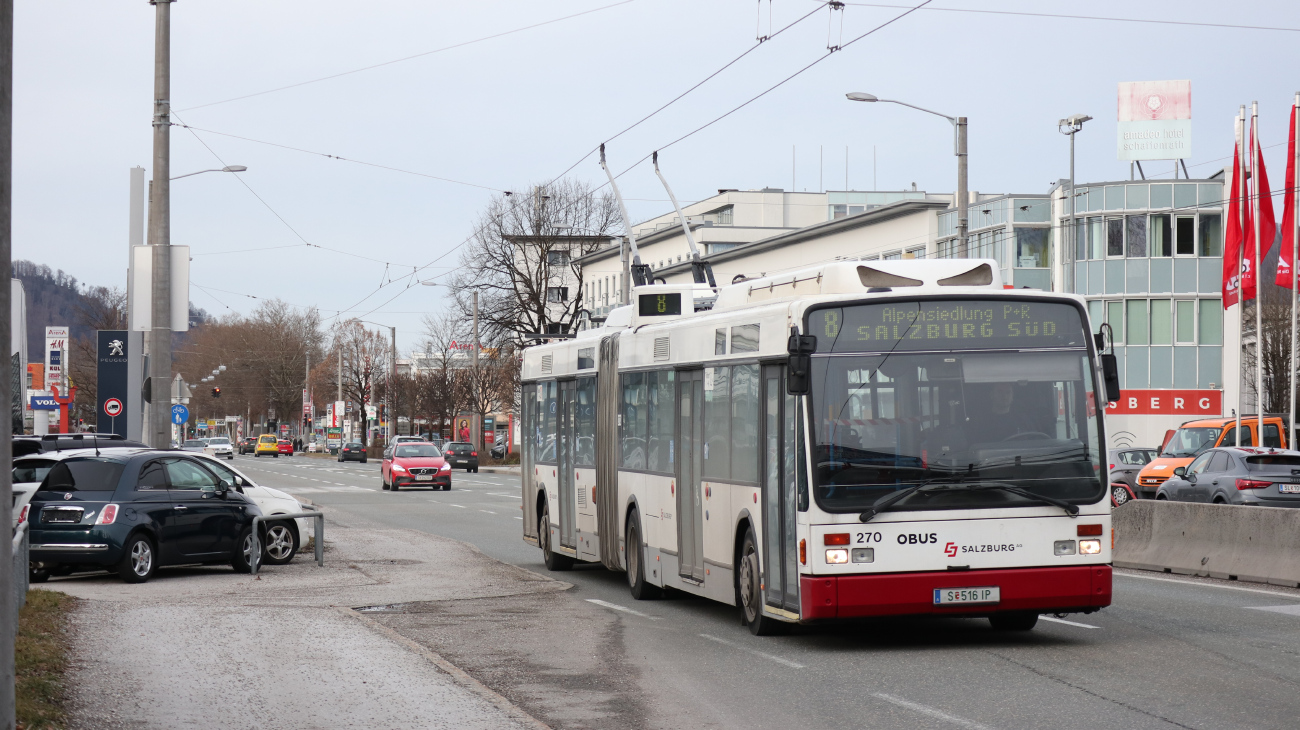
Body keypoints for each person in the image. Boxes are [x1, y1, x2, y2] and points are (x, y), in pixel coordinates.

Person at [968, 382, 1038, 443]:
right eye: (1000, 392)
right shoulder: (982, 423)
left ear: (1012, 397)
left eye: (1008, 392)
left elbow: (1034, 442)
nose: (1004, 396)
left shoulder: (1023, 420)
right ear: (991, 395)